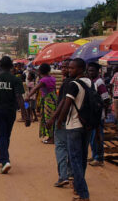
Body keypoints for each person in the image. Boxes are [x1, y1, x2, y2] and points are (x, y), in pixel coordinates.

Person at [0, 56, 30, 174]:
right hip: (11, 112)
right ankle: (2, 157)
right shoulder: (15, 80)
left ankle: (5, 161)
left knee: (0, 136)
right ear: (11, 66)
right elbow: (20, 98)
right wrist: (25, 115)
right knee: (6, 135)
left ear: (0, 65)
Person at [56, 58, 90, 201]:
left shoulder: (73, 84)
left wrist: (59, 122)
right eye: (68, 68)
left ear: (81, 69)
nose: (69, 70)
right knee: (82, 159)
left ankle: (83, 193)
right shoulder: (90, 83)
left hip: (74, 125)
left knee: (75, 159)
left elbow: (66, 104)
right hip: (86, 126)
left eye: (72, 68)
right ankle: (78, 187)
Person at [46, 59, 73, 187]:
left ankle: (63, 176)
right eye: (63, 67)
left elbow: (63, 102)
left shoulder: (68, 83)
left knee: (61, 147)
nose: (64, 69)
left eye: (67, 67)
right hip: (75, 122)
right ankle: (72, 173)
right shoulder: (82, 82)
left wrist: (54, 118)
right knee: (72, 148)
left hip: (64, 120)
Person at [27, 63, 57, 144]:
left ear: (40, 71)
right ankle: (52, 136)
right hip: (53, 100)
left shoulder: (43, 80)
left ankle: (51, 138)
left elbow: (35, 89)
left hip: (48, 101)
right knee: (52, 118)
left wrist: (28, 97)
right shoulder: (52, 78)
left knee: (48, 118)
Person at [87, 62, 110, 167]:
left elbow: (106, 99)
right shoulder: (92, 81)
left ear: (98, 71)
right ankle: (95, 155)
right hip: (92, 115)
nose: (90, 72)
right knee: (92, 137)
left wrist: (103, 113)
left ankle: (99, 158)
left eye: (92, 70)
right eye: (89, 70)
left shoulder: (99, 82)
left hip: (98, 115)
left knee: (97, 136)